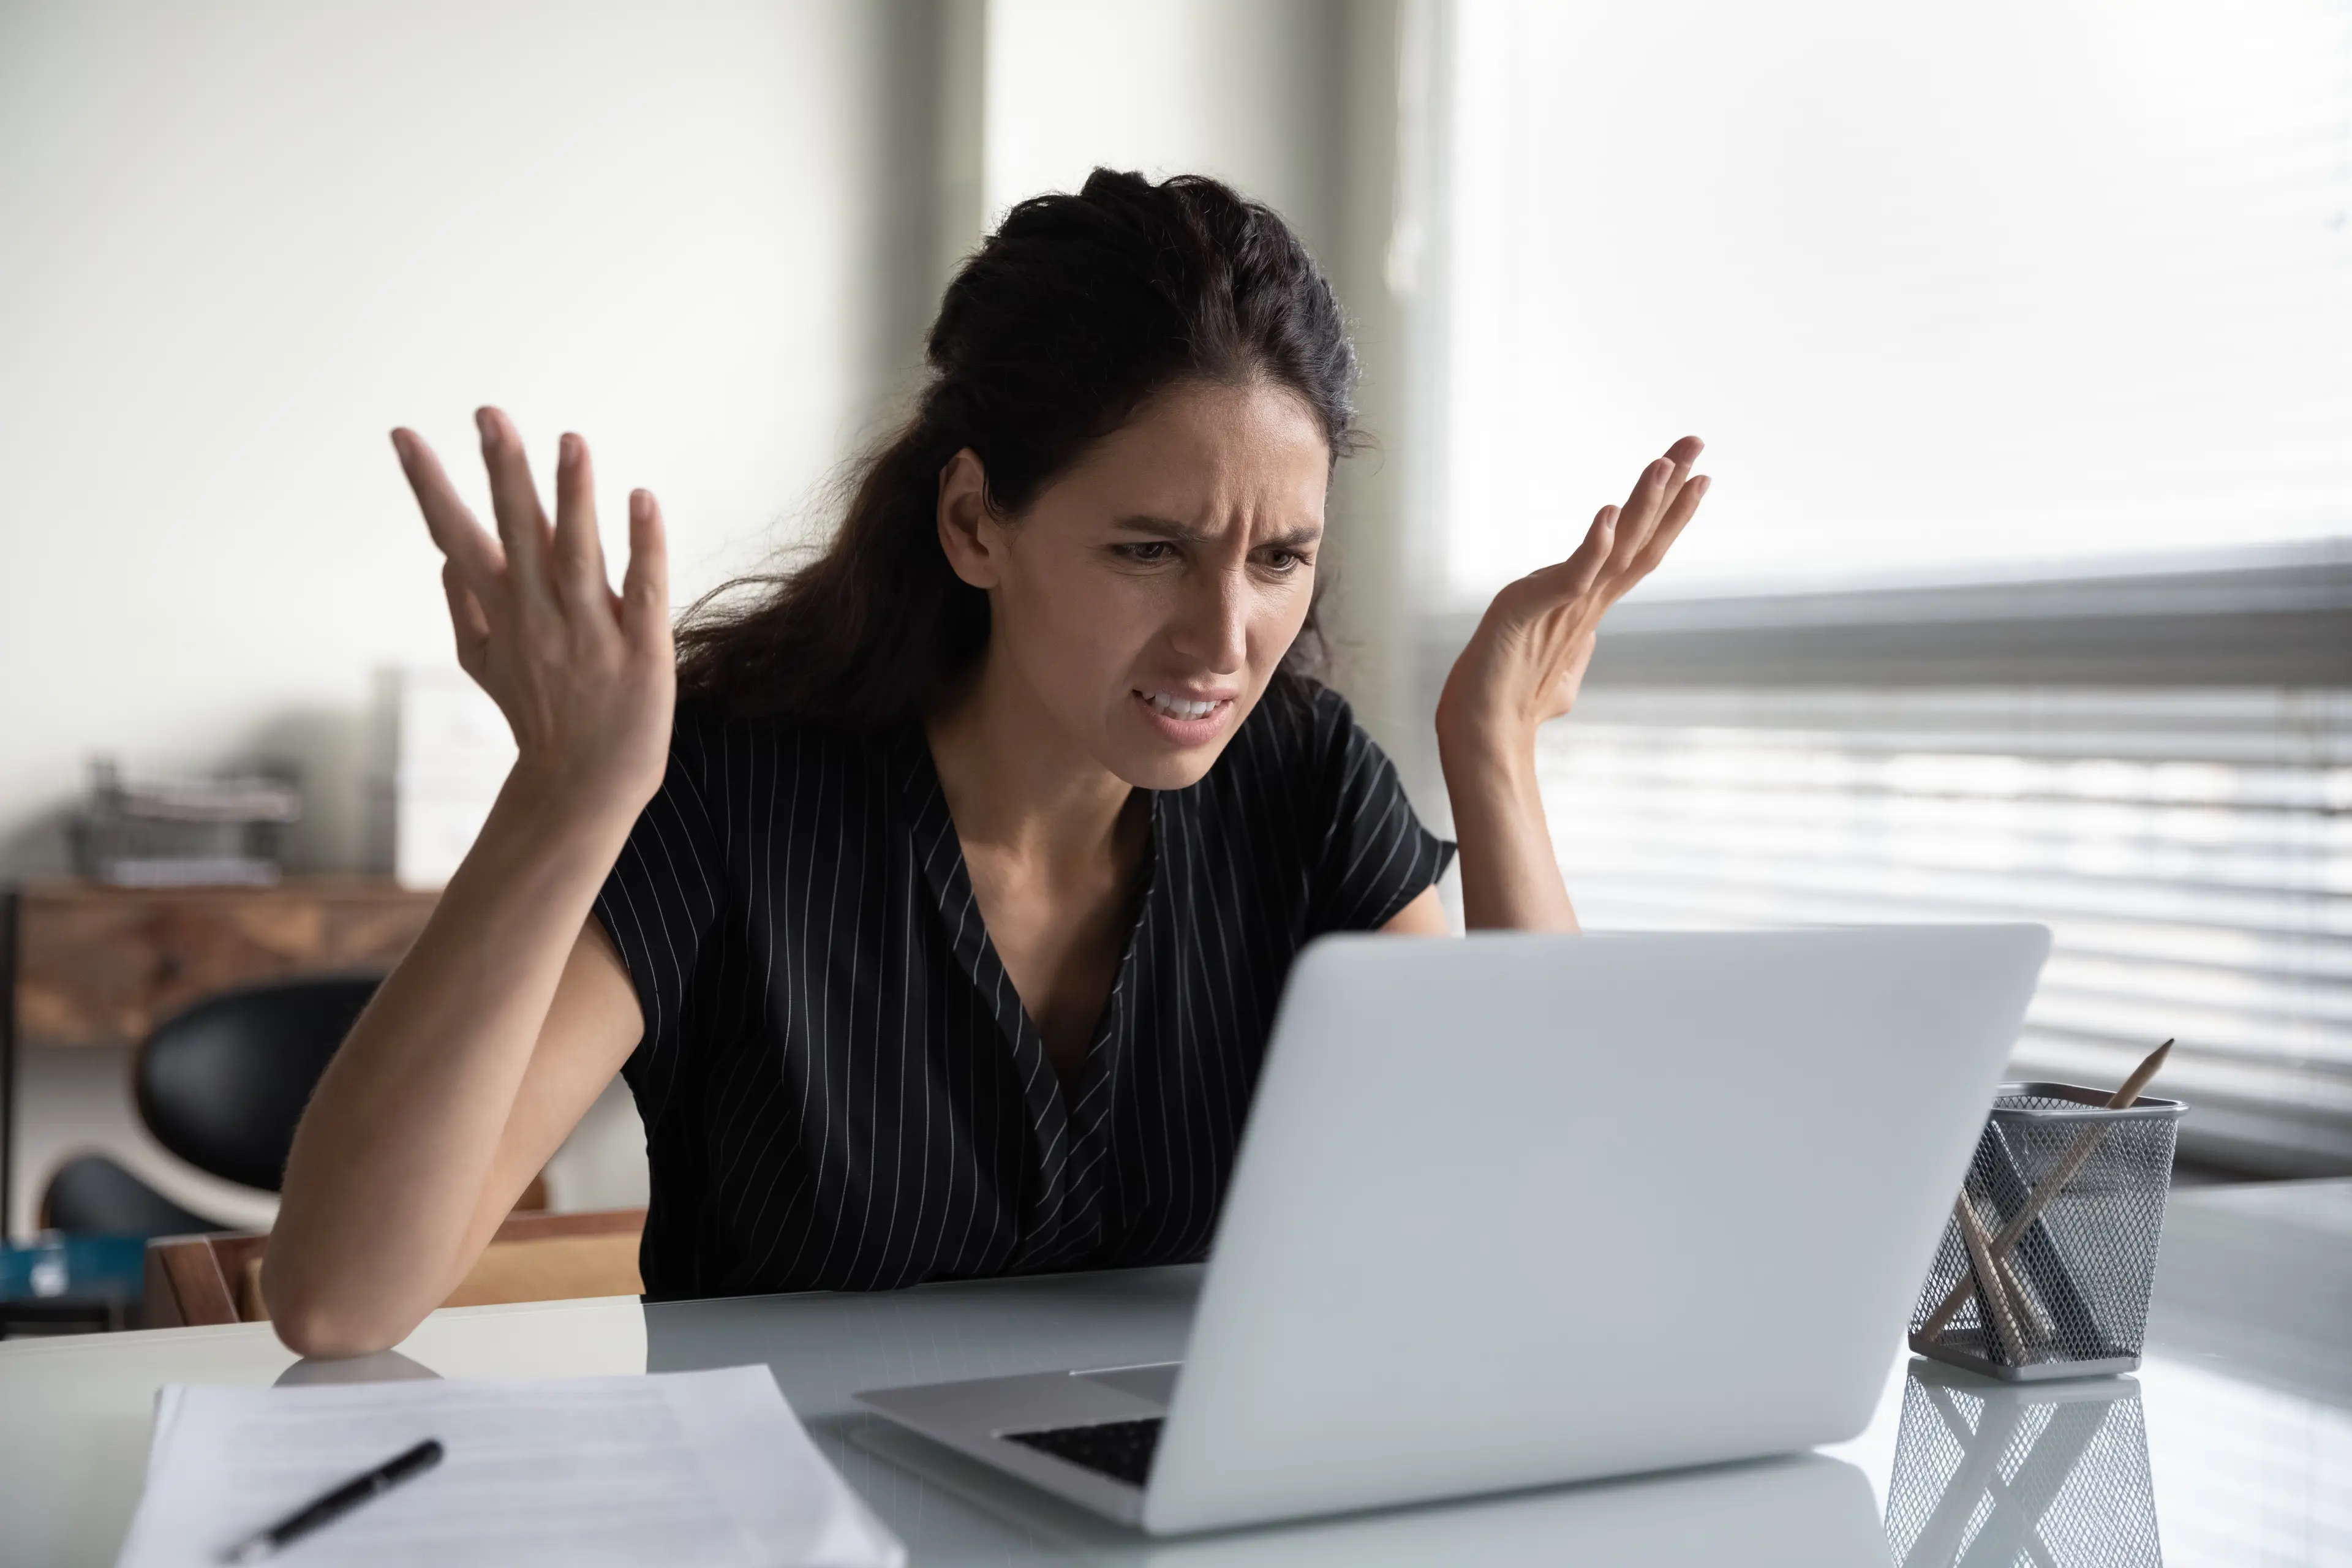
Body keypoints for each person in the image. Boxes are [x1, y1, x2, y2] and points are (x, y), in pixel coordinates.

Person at [263, 170, 1706, 1358]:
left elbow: (1558, 1234)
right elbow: (340, 1299)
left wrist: (1493, 751)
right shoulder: (730, 786)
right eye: (1151, 549)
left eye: (1281, 559)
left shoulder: (1303, 780)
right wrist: (569, 793)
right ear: (975, 523)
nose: (1226, 636)